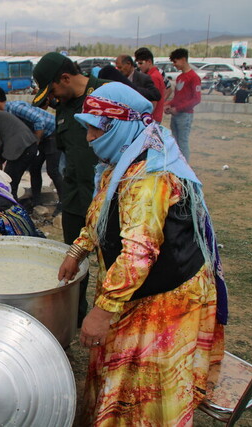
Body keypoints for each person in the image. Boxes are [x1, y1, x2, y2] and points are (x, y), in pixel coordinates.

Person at [58, 82, 226, 426]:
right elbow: (101, 213)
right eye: (86, 127)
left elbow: (138, 253)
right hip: (138, 290)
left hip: (166, 299)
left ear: (120, 125)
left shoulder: (149, 176)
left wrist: (102, 311)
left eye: (95, 127)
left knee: (145, 391)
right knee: (118, 372)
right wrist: (78, 250)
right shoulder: (122, 160)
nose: (89, 138)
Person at [32, 52, 110, 326]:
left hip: (110, 200)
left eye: (52, 89)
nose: (52, 98)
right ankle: (74, 317)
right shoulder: (64, 107)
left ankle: (110, 320)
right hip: (76, 199)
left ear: (65, 78)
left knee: (112, 264)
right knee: (74, 263)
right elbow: (69, 155)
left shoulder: (107, 94)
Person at [0, 85, 63, 210]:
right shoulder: (6, 115)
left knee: (52, 170)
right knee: (34, 168)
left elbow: (39, 121)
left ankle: (63, 204)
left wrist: (35, 142)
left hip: (52, 133)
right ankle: (37, 202)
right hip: (40, 137)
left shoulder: (15, 108)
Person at [164, 48, 202, 162]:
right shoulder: (180, 77)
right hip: (175, 115)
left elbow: (196, 99)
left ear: (183, 59)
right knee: (175, 141)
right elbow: (177, 97)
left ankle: (185, 167)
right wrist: (168, 105)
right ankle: (176, 164)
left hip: (185, 115)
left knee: (183, 142)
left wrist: (179, 109)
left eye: (175, 61)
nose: (174, 65)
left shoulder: (194, 77)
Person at [134, 47, 166, 123]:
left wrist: (147, 118)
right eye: (138, 63)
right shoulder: (154, 74)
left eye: (141, 63)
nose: (139, 66)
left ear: (149, 61)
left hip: (151, 118)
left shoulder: (153, 77)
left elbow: (153, 100)